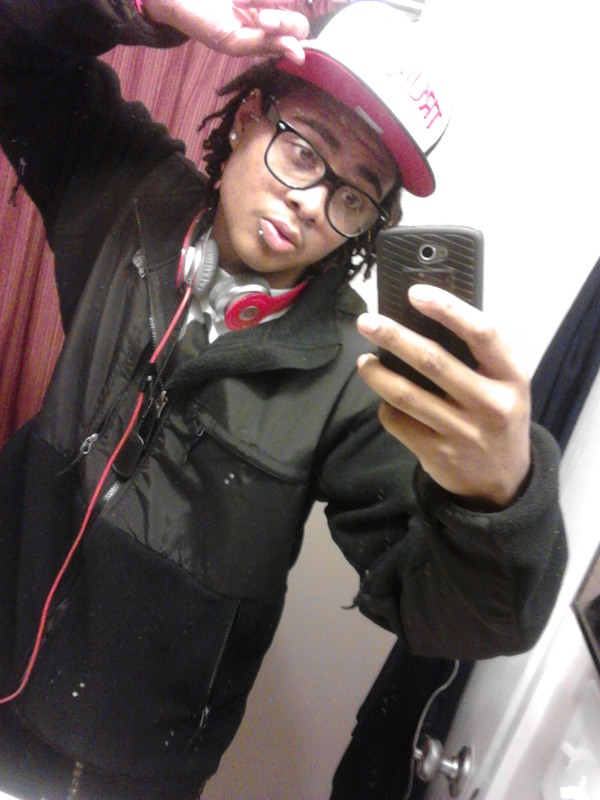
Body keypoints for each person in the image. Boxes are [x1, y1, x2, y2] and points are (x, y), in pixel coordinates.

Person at [0, 1, 567, 798]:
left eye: (354, 194)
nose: (310, 201)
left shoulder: (357, 378)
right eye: (302, 149)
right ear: (248, 118)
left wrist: (500, 498)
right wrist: (137, 7)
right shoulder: (127, 191)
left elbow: (464, 617)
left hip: (121, 773)